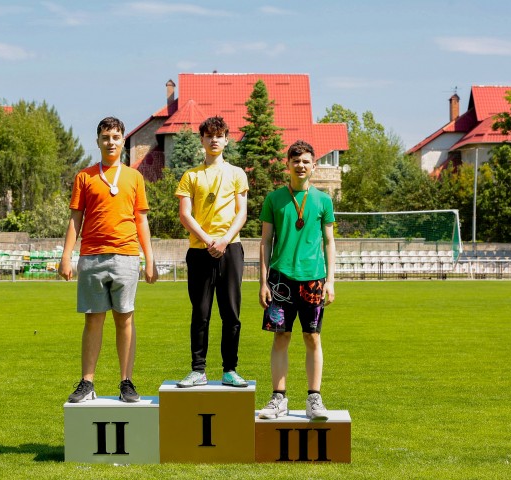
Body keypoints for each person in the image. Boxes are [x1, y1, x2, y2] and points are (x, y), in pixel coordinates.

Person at [60, 116, 157, 404]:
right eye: (105, 137)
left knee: (125, 319)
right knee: (93, 320)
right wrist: (67, 257)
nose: (110, 142)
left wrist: (149, 259)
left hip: (126, 256)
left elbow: (141, 221)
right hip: (91, 257)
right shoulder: (85, 177)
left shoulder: (134, 177)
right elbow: (75, 220)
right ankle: (87, 382)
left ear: (123, 140)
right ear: (98, 141)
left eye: (116, 137)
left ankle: (126, 381)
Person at [257, 140, 336, 421]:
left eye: (305, 161)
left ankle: (314, 398)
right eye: (295, 160)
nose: (300, 166)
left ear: (313, 166)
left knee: (312, 337)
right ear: (287, 164)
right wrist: (263, 281)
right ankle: (278, 398)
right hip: (280, 279)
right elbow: (265, 241)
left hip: (313, 278)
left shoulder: (323, 200)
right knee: (281, 337)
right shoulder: (274, 199)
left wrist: (331, 280)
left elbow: (329, 242)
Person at [174, 116, 249, 388]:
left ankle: (230, 369)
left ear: (226, 139)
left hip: (231, 249)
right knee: (201, 312)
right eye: (209, 135)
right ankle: (198, 370)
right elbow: (185, 215)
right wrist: (208, 241)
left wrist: (225, 240)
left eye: (219, 135)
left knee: (231, 312)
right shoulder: (191, 176)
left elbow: (242, 213)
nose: (214, 140)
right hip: (199, 250)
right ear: (202, 140)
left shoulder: (237, 173)